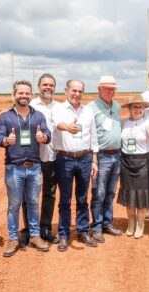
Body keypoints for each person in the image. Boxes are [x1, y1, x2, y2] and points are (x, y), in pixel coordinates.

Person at [0, 80, 51, 257]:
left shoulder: (38, 116)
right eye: (20, 93)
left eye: (27, 93)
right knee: (14, 205)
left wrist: (44, 137)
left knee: (34, 203)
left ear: (31, 95)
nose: (24, 96)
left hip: (34, 167)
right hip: (14, 168)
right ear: (14, 94)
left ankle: (35, 236)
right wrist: (6, 141)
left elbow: (48, 134)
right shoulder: (6, 116)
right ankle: (13, 239)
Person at [52, 80, 99, 251]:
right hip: (64, 159)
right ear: (66, 91)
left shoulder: (88, 112)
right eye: (73, 90)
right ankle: (64, 234)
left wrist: (94, 160)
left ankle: (83, 231)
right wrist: (67, 127)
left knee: (82, 198)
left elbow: (93, 135)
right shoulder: (58, 108)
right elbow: (57, 123)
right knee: (65, 199)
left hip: (85, 158)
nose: (76, 94)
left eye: (80, 91)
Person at [25, 73, 60, 245]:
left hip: (52, 157)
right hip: (32, 158)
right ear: (38, 86)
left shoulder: (60, 108)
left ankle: (45, 227)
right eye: (45, 84)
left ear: (55, 87)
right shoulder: (30, 105)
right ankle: (28, 230)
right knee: (29, 196)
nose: (48, 87)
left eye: (51, 85)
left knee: (49, 194)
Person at [89, 76, 123, 243]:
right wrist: (93, 158)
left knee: (110, 192)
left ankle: (107, 224)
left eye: (113, 88)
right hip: (101, 156)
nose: (111, 91)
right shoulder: (91, 108)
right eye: (107, 88)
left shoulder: (116, 106)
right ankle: (96, 226)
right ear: (99, 89)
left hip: (117, 155)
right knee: (99, 192)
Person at [119, 94, 149, 238]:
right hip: (126, 162)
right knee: (129, 193)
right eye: (135, 106)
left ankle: (140, 225)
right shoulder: (124, 123)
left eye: (141, 107)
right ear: (129, 108)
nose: (138, 109)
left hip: (143, 163)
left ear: (144, 109)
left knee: (141, 195)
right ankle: (131, 223)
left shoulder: (148, 122)